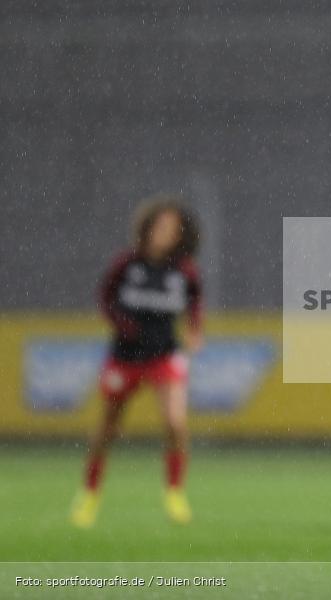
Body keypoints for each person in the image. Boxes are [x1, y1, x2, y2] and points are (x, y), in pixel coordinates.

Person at [70, 195, 203, 528]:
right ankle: (89, 493)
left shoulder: (183, 270)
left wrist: (194, 330)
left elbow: (195, 303)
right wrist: (124, 325)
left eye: (173, 229)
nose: (166, 234)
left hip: (164, 354)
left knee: (175, 423)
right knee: (107, 429)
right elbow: (105, 298)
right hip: (126, 356)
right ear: (148, 228)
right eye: (161, 227)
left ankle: (175, 492)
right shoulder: (126, 264)